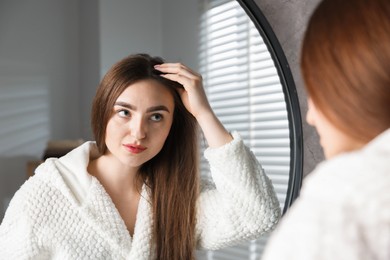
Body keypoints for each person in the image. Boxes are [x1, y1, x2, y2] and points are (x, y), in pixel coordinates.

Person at [0, 53, 281, 259]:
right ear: (103, 111)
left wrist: (204, 114)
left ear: (172, 126)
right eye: (124, 112)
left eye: (156, 116)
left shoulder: (177, 196)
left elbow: (257, 215)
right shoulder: (46, 195)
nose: (138, 132)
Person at [262, 0, 390, 259]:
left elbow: (253, 215)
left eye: (316, 90)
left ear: (349, 88)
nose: (310, 117)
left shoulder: (341, 205)